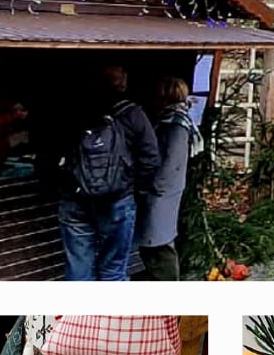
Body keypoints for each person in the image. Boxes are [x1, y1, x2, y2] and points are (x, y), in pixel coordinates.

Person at [58, 63, 159, 281]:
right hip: (117, 200)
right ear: (124, 85)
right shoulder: (133, 114)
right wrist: (131, 187)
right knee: (113, 270)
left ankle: (78, 315)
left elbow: (50, 152)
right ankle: (110, 315)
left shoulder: (72, 108)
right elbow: (151, 159)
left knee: (77, 269)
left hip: (74, 198)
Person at [135, 76, 196, 280]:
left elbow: (171, 164)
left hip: (162, 193)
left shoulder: (176, 125)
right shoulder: (168, 120)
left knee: (160, 243)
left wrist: (152, 185)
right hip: (160, 191)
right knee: (153, 242)